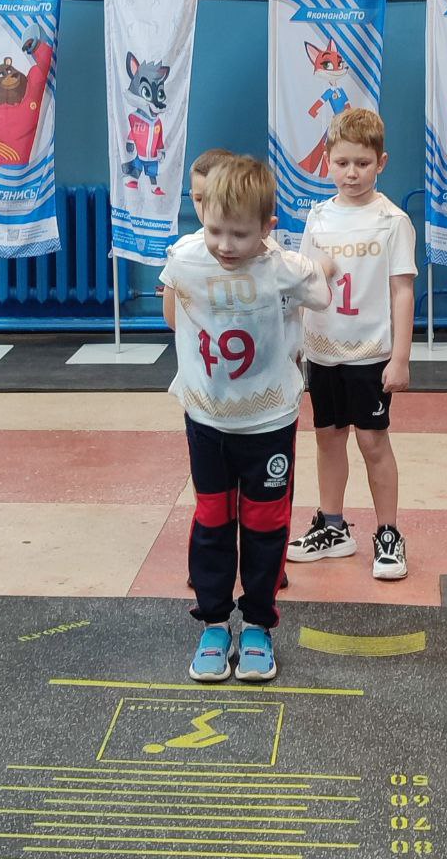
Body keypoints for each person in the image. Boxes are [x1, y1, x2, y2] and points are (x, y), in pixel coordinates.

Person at [161, 155, 332, 682]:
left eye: (240, 234)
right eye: (215, 230)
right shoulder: (186, 256)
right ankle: (214, 622)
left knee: (265, 524)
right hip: (207, 418)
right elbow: (172, 310)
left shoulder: (283, 266)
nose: (226, 245)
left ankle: (257, 623)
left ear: (267, 227)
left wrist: (317, 270)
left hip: (268, 421)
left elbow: (321, 293)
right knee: (212, 520)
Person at [287, 107, 417, 580]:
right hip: (323, 351)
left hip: (370, 354)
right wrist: (295, 344)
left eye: (362, 163)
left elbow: (402, 291)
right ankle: (333, 526)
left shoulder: (392, 220)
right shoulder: (318, 217)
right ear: (328, 161)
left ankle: (388, 533)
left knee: (372, 440)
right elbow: (303, 283)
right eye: (342, 163)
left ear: (381, 162)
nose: (352, 173)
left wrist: (400, 357)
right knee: (328, 437)